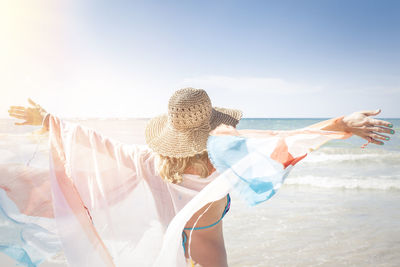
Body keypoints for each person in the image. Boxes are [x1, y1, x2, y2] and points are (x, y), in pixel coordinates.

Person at [7, 87, 394, 267]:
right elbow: (283, 142)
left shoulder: (149, 161)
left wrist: (49, 121)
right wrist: (341, 124)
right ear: (211, 125)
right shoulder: (224, 159)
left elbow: (96, 146)